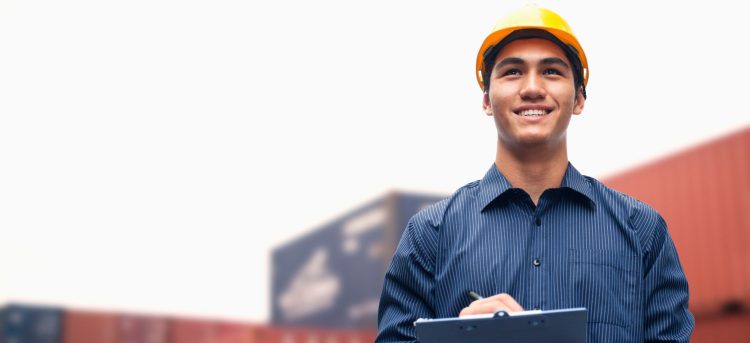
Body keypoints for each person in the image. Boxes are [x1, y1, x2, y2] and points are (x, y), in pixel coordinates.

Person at [376, 5, 694, 343]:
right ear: (486, 99)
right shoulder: (430, 237)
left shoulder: (643, 232)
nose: (531, 87)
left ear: (579, 99)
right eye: (512, 72)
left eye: (552, 72)